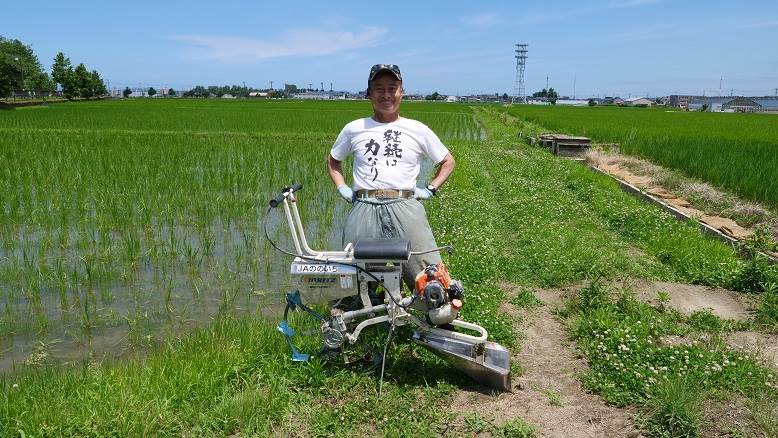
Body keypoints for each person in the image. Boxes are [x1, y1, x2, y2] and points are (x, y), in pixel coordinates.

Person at [327, 64, 455, 289]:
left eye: (392, 88)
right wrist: (342, 188)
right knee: (352, 278)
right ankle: (357, 319)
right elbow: (333, 161)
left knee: (430, 278)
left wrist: (430, 189)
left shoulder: (417, 129)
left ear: (401, 92)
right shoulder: (353, 129)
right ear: (369, 93)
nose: (386, 94)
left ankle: (436, 317)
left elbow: (447, 161)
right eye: (379, 88)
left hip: (405, 205)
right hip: (364, 206)